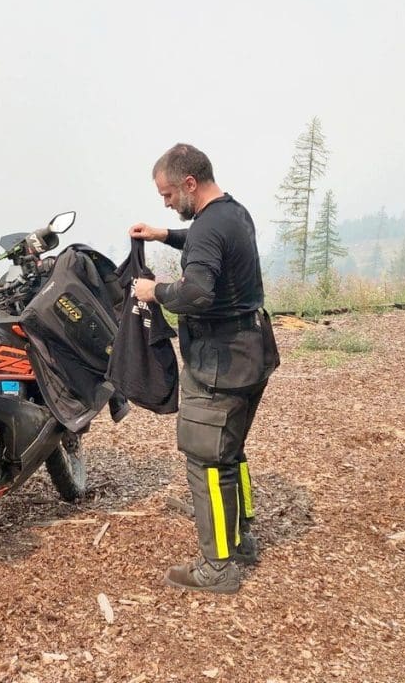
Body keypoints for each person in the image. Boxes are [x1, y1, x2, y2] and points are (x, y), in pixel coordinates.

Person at [130, 143, 278, 594]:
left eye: (169, 195)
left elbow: (197, 292)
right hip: (252, 350)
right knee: (230, 451)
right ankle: (242, 538)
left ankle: (218, 567)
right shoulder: (232, 213)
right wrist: (163, 235)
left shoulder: (209, 227)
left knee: (206, 460)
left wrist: (154, 291)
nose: (167, 203)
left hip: (220, 363)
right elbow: (205, 241)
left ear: (190, 184)